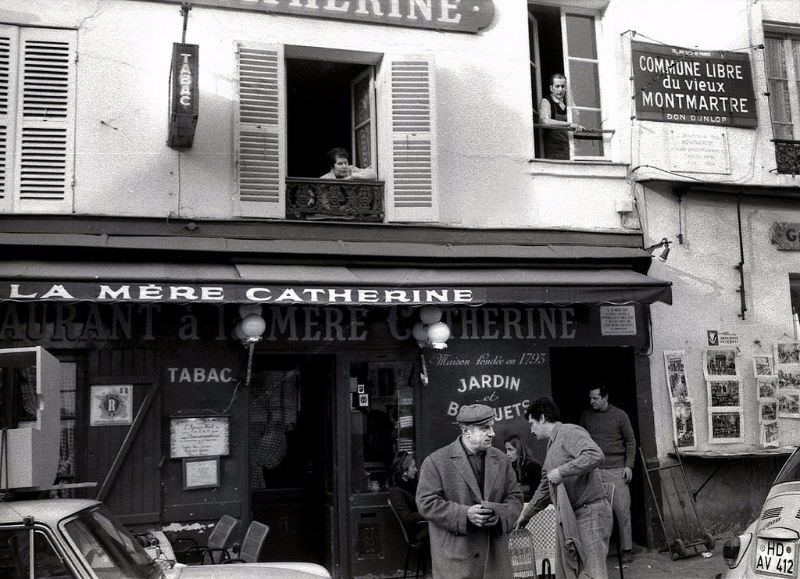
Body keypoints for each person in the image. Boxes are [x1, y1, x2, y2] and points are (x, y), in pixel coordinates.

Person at [416, 404, 523, 579]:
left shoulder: (502, 460)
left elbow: (515, 498)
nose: (492, 433)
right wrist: (464, 515)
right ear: (466, 431)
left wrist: (500, 516)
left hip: (494, 559)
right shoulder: (436, 462)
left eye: (491, 426)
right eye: (484, 428)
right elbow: (426, 502)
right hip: (456, 560)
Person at [517, 397, 612, 579]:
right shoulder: (552, 444)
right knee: (575, 572)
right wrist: (526, 514)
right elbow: (546, 487)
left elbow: (595, 455)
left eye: (532, 424)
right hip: (574, 516)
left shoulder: (569, 431)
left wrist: (562, 471)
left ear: (543, 418)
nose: (531, 430)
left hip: (590, 513)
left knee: (593, 573)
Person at [580, 385, 638, 563]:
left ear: (605, 397)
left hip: (616, 470)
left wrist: (628, 466)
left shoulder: (620, 416)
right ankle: (598, 551)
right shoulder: (586, 416)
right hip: (595, 471)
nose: (592, 402)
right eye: (590, 398)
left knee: (622, 512)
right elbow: (581, 441)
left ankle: (626, 548)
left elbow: (630, 441)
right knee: (596, 512)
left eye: (595, 398)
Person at [539, 73, 584, 160]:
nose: (560, 90)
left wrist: (570, 98)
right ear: (551, 88)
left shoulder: (568, 103)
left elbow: (576, 120)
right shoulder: (546, 101)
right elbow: (544, 121)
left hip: (570, 148)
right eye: (557, 86)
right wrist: (568, 124)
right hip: (555, 149)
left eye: (563, 86)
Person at [388, 452, 428, 543]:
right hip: (417, 532)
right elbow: (407, 517)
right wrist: (429, 514)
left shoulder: (411, 484)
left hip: (423, 525)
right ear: (404, 471)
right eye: (413, 467)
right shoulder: (397, 491)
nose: (416, 470)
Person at [503, 434, 542, 501]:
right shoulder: (509, 466)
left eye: (510, 450)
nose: (507, 454)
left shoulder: (533, 466)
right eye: (506, 450)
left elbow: (537, 491)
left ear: (519, 449)